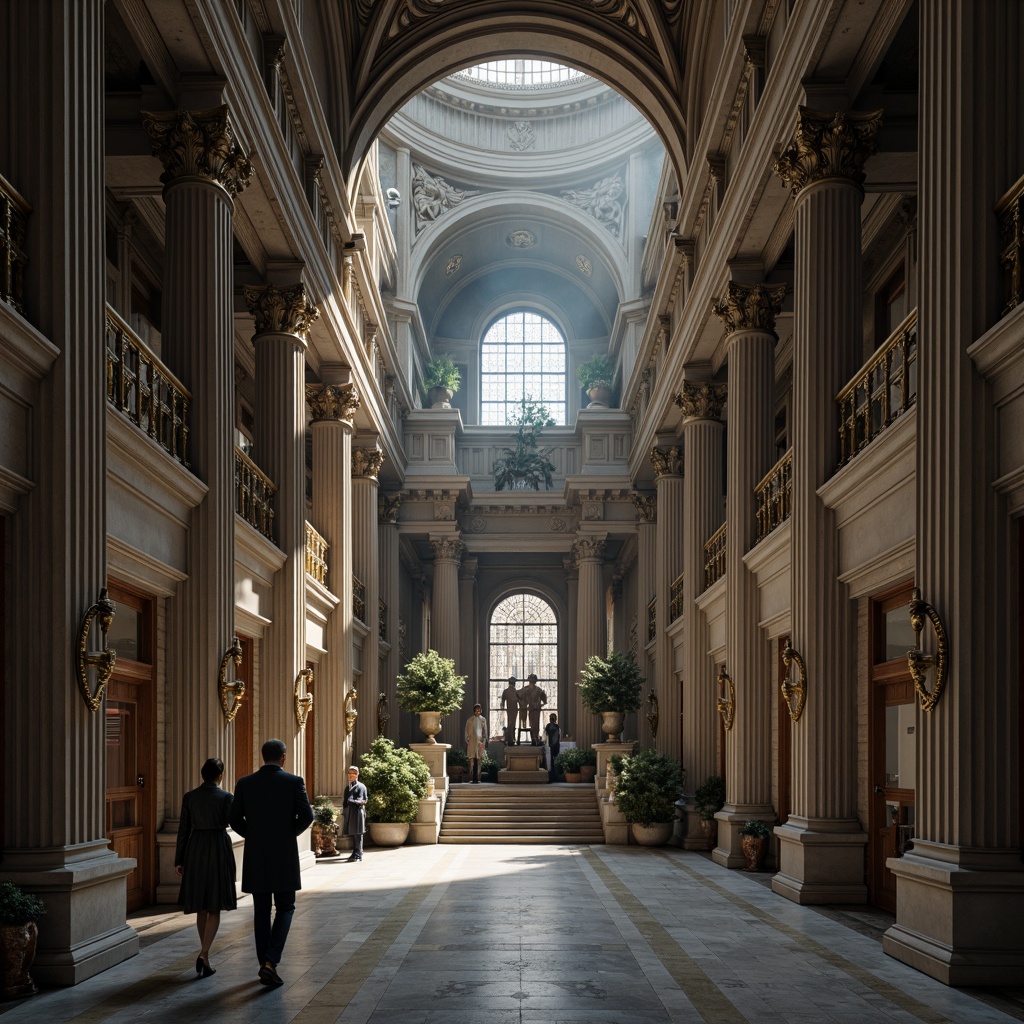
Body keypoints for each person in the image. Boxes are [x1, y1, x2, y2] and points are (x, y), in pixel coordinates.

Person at [229, 738, 314, 988]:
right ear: (284, 758)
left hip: (256, 854)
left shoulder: (245, 783)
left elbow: (234, 818)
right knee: (286, 907)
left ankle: (264, 963)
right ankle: (270, 962)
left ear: (262, 757)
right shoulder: (294, 782)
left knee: (261, 911)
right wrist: (288, 834)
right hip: (284, 854)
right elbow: (307, 815)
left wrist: (253, 835)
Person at [174, 756, 236, 978]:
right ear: (220, 775)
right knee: (215, 905)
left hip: (196, 847)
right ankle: (204, 953)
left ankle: (205, 955)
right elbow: (234, 821)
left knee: (201, 904)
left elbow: (183, 830)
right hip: (218, 845)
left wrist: (179, 859)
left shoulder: (190, 797)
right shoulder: (226, 797)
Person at [342, 766, 367, 861]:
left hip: (358, 811)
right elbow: (345, 802)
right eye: (349, 773)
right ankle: (355, 851)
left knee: (358, 833)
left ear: (357, 775)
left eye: (353, 773)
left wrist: (352, 801)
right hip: (350, 812)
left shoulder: (361, 786)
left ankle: (358, 853)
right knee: (352, 832)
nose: (350, 775)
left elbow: (363, 800)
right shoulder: (347, 788)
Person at [522, 673, 548, 746]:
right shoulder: (538, 690)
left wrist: (524, 705)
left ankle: (534, 738)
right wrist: (542, 704)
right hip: (535, 708)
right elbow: (545, 699)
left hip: (532, 709)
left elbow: (522, 698)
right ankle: (535, 738)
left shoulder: (526, 689)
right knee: (535, 724)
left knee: (533, 724)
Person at [465, 703, 488, 783]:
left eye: (479, 710)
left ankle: (478, 777)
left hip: (480, 741)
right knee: (472, 759)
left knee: (479, 760)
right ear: (474, 711)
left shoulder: (483, 720)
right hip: (472, 741)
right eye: (476, 710)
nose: (478, 711)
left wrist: (484, 739)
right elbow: (467, 732)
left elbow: (485, 730)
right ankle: (472, 777)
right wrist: (468, 740)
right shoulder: (470, 720)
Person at [500, 676, 519, 745]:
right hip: (514, 709)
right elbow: (520, 701)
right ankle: (510, 738)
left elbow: (502, 702)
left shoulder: (506, 691)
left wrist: (502, 707)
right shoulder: (515, 691)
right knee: (512, 724)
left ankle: (510, 738)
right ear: (514, 683)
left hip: (509, 709)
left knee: (511, 723)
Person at [544, 713, 561, 782]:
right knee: (551, 762)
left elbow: (556, 737)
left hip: (552, 746)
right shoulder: (553, 726)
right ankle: (552, 776)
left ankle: (552, 777)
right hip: (552, 746)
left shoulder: (552, 726)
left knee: (552, 762)